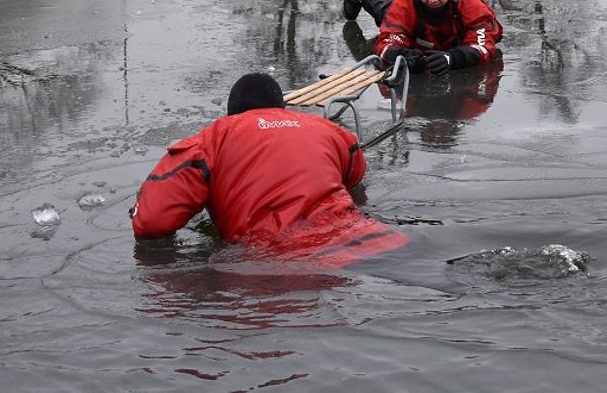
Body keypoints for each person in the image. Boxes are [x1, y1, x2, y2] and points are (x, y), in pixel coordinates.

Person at [131, 72, 407, 267]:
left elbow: (152, 222)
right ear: (282, 107)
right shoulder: (330, 131)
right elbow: (356, 176)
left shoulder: (210, 141)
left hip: (282, 262)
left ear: (232, 113)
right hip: (374, 240)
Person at [340, 0, 503, 75]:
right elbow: (386, 43)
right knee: (385, 10)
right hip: (414, 32)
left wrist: (453, 59)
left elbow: (484, 44)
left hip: (452, 41)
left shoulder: (468, 1)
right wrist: (403, 56)